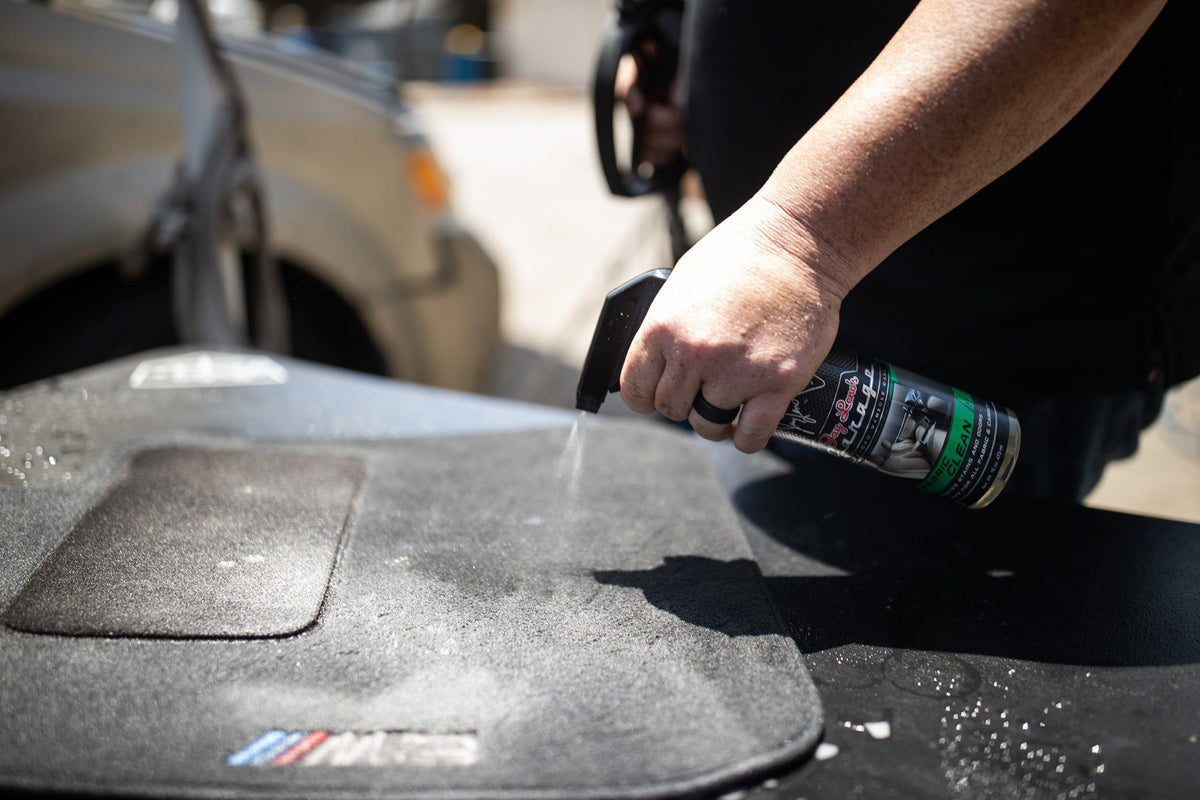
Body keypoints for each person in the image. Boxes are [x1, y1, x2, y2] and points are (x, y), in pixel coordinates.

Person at [614, 0, 1199, 501]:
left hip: (982, 335)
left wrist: (799, 242)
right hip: (771, 320)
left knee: (927, 623)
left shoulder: (803, 250)